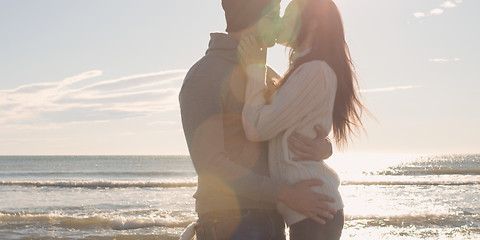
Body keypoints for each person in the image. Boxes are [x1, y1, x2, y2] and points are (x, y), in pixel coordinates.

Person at [179, 0, 338, 239]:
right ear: (252, 18)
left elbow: (295, 128)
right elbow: (211, 164)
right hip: (229, 222)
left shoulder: (267, 74)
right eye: (273, 15)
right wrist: (285, 193)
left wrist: (323, 146)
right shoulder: (204, 75)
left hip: (274, 219)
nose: (280, 23)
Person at [238, 0, 365, 239]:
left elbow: (256, 127)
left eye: (288, 15)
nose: (281, 21)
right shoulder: (304, 69)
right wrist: (325, 147)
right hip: (311, 210)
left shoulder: (314, 71)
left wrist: (254, 67)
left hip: (314, 211)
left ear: (314, 23)